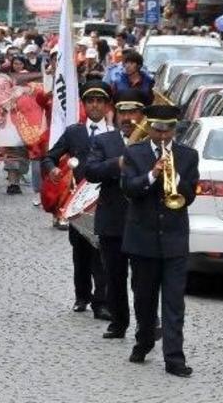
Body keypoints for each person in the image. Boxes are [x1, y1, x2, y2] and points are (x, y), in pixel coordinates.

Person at [121, 104, 199, 377]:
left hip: (175, 241)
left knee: (174, 302)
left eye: (168, 130)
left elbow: (189, 196)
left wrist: (174, 174)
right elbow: (129, 189)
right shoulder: (134, 153)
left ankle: (175, 359)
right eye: (157, 129)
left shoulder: (189, 156)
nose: (162, 135)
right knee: (144, 299)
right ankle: (143, 341)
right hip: (142, 239)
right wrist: (153, 174)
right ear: (149, 128)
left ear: (175, 129)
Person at [41, 81, 113, 319]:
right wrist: (52, 169)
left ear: (106, 105)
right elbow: (49, 156)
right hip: (79, 204)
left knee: (102, 254)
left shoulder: (114, 134)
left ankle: (101, 301)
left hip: (105, 202)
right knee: (80, 254)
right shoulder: (74, 132)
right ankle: (81, 297)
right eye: (90, 101)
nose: (95, 105)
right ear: (84, 105)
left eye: (99, 101)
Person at [85, 89, 150, 339]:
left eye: (133, 111)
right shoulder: (105, 141)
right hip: (112, 220)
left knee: (143, 279)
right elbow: (90, 171)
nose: (127, 117)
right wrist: (117, 164)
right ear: (116, 114)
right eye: (122, 112)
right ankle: (119, 322)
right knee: (114, 276)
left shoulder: (150, 143)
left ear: (142, 115)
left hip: (142, 220)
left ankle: (146, 324)